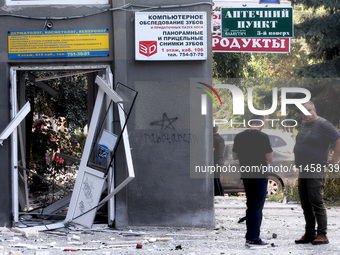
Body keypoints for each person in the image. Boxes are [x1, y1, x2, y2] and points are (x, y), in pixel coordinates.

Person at [294, 101, 340, 245]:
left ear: (314, 109)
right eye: (303, 112)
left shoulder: (323, 124)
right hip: (304, 168)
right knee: (305, 202)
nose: (306, 115)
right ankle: (309, 233)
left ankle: (322, 234)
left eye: (308, 111)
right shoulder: (304, 124)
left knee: (316, 201)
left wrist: (334, 159)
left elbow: (338, 138)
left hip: (316, 167)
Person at [232, 114, 273, 247]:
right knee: (257, 207)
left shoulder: (239, 136)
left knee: (250, 206)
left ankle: (249, 236)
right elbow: (270, 158)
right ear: (261, 123)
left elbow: (234, 156)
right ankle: (254, 238)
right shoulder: (263, 137)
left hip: (246, 174)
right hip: (260, 174)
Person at [213, 125, 225, 196]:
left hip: (215, 160)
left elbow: (212, 150)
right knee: (217, 178)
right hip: (220, 160)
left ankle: (217, 194)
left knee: (214, 178)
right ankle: (221, 194)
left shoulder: (213, 139)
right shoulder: (221, 138)